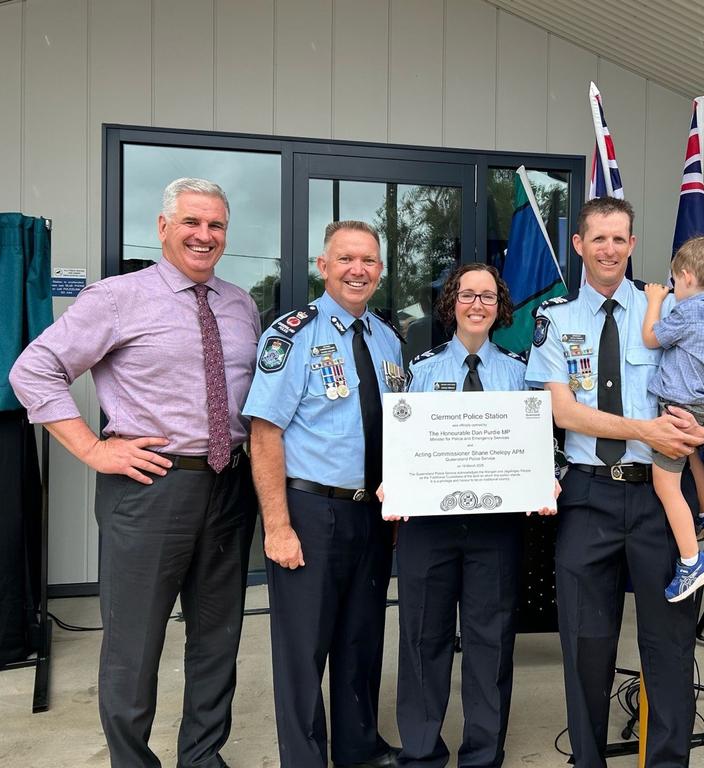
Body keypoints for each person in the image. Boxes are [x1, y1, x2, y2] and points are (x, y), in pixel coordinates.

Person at [10, 178, 260, 768]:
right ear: (163, 227)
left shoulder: (241, 302)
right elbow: (33, 370)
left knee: (218, 638)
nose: (205, 235)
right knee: (134, 642)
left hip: (229, 485)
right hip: (150, 487)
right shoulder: (117, 297)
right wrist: (93, 449)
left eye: (216, 225)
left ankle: (202, 757)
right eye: (192, 223)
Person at [525, 197, 704, 768]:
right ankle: (589, 760)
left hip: (660, 498)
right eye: (597, 238)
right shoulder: (554, 320)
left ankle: (667, 761)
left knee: (670, 642)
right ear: (578, 245)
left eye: (620, 239)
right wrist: (646, 427)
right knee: (586, 644)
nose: (609, 249)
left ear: (632, 245)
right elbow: (563, 412)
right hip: (588, 495)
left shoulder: (669, 310)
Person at [381, 263, 557, 768]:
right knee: (421, 640)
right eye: (466, 295)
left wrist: (547, 477)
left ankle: (483, 755)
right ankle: (420, 752)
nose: (476, 304)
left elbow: (545, 443)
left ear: (500, 307)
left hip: (496, 531)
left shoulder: (522, 371)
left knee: (490, 644)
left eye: (487, 296)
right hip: (426, 528)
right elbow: (401, 444)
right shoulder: (421, 369)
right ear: (450, 304)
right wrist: (394, 480)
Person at [244, 220, 403, 768]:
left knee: (362, 639)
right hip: (311, 511)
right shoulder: (293, 333)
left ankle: (359, 748)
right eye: (346, 259)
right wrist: (278, 526)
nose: (357, 270)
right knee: (303, 651)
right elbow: (264, 433)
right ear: (324, 265)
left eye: (368, 261)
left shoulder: (387, 340)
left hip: (373, 514)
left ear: (379, 271)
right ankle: (305, 759)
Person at [641, 236, 704, 603]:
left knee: (666, 485)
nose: (673, 289)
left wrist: (653, 301)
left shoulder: (689, 311)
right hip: (703, 404)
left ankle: (691, 561)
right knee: (694, 455)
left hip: (676, 407)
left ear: (686, 276)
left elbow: (652, 338)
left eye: (674, 282)